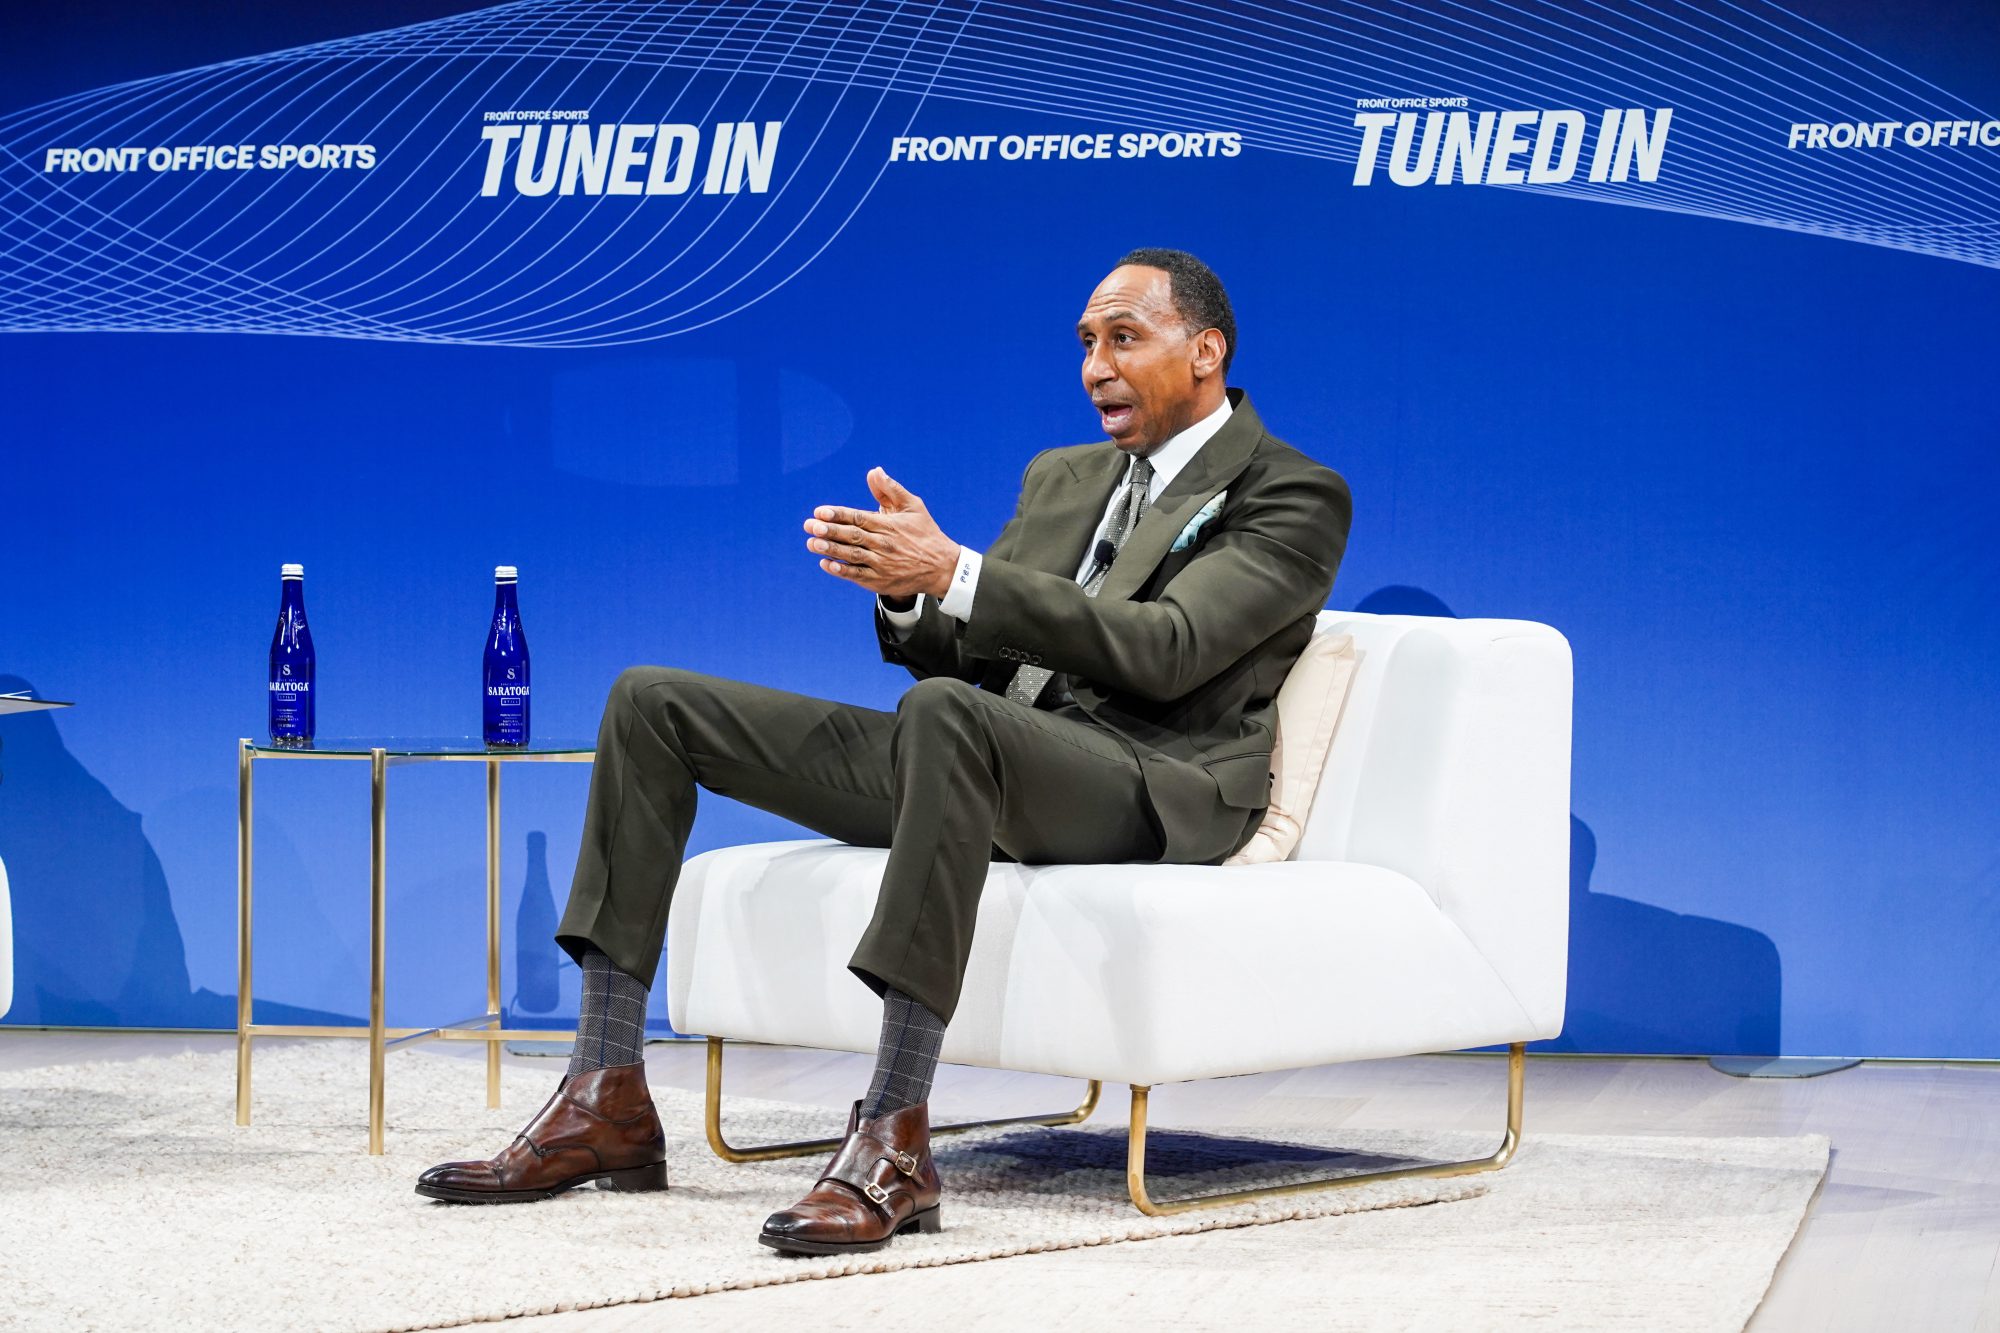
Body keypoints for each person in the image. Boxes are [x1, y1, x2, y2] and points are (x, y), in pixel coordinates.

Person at [415, 248, 1352, 1257]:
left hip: (1148, 783)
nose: (1094, 367)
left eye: (1123, 337)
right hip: (978, 759)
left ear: (1205, 350)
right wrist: (910, 591)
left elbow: (1168, 651)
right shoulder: (1064, 476)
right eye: (1086, 342)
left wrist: (959, 573)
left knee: (946, 714)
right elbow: (968, 649)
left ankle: (895, 1137)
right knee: (653, 702)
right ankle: (606, 1095)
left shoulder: (1292, 492)